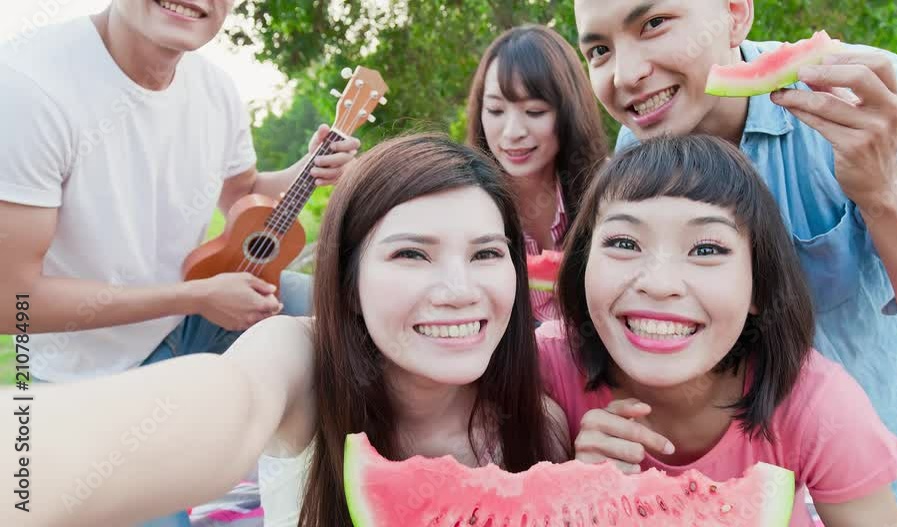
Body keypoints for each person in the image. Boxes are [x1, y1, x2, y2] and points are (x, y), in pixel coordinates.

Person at [0, 134, 570, 527]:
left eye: (487, 254)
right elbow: (232, 402)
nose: (458, 290)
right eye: (412, 255)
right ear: (348, 282)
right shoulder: (299, 359)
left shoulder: (542, 427)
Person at [572, 1, 897, 524]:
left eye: (654, 24)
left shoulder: (867, 98)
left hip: (891, 475)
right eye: (599, 49)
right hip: (751, 480)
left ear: (735, 13)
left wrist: (882, 189)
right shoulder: (646, 133)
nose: (626, 74)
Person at [0, 2, 359, 525]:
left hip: (194, 321)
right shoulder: (30, 87)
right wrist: (195, 297)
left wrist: (310, 168)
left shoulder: (214, 89)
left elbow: (243, 195)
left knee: (352, 309)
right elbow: (13, 303)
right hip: (92, 374)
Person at [539, 134, 897, 526]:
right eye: (625, 242)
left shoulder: (818, 405)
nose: (660, 283)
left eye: (706, 250)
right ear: (582, 266)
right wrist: (570, 500)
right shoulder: (543, 371)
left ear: (758, 285)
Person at [466, 24, 608, 322]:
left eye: (534, 112)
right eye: (495, 110)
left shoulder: (610, 190)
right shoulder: (465, 202)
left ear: (570, 113)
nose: (512, 132)